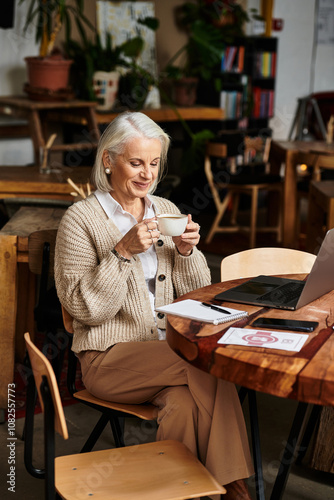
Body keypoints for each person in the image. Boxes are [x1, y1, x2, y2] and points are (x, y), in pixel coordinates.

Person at [55, 111, 253, 498]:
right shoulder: (79, 220)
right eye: (135, 163)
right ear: (108, 160)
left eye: (154, 163)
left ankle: (184, 493)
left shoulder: (164, 209)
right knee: (204, 362)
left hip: (163, 354)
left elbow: (199, 296)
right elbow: (86, 310)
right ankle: (235, 488)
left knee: (183, 405)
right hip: (106, 358)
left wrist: (187, 251)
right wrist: (122, 253)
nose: (147, 174)